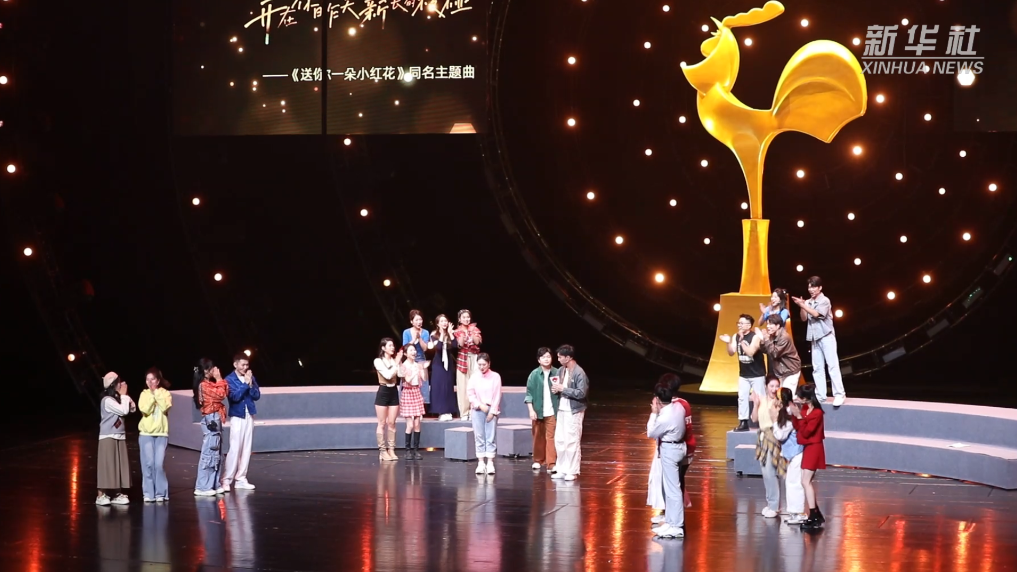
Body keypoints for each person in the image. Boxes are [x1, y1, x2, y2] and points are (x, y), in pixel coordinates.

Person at [792, 276, 846, 406]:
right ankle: (821, 395)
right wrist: (802, 306)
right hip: (814, 338)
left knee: (832, 366)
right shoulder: (808, 302)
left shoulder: (825, 300)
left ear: (820, 287)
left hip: (827, 336)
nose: (811, 289)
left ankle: (839, 394)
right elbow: (804, 318)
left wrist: (803, 305)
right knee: (817, 368)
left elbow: (816, 314)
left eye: (814, 287)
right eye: (809, 287)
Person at [646, 377, 687, 539]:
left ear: (657, 400)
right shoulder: (678, 407)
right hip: (677, 447)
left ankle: (676, 526)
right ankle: (671, 521)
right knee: (670, 489)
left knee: (673, 490)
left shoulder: (664, 418)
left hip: (670, 450)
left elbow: (651, 433)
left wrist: (653, 414)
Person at [750, 376, 789, 518]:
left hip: (773, 437)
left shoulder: (779, 402)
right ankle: (771, 503)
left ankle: (774, 505)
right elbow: (754, 419)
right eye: (771, 386)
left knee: (770, 471)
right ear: (766, 386)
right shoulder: (761, 400)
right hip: (762, 437)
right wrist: (755, 404)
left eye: (776, 386)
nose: (774, 389)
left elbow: (780, 422)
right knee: (765, 472)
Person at [222, 353, 261, 492]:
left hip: (249, 415)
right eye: (243, 364)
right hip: (237, 416)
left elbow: (257, 395)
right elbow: (234, 397)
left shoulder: (250, 377)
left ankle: (241, 478)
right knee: (235, 448)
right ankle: (226, 479)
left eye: (247, 364)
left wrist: (250, 384)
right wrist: (245, 384)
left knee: (246, 448)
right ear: (235, 364)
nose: (245, 367)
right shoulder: (229, 379)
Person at [720, 314, 766, 432]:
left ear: (749, 325)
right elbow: (731, 352)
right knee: (742, 397)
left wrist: (741, 341)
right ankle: (743, 422)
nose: (739, 325)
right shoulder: (736, 336)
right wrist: (728, 342)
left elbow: (750, 352)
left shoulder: (755, 337)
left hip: (757, 374)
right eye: (738, 323)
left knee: (760, 398)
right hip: (744, 374)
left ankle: (763, 422)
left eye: (742, 323)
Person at [790, 383, 827, 529]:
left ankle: (813, 515)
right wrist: (796, 415)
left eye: (800, 397)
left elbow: (806, 432)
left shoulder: (817, 413)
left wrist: (799, 416)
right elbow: (798, 427)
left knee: (805, 482)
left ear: (806, 398)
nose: (798, 398)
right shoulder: (805, 409)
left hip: (814, 447)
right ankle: (816, 513)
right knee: (805, 481)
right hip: (807, 447)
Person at [97, 372, 136, 506]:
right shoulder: (107, 400)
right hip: (108, 436)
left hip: (119, 435)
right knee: (107, 465)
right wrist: (124, 396)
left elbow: (132, 409)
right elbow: (123, 411)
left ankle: (117, 493)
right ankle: (101, 495)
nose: (121, 384)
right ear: (114, 385)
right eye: (119, 382)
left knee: (118, 465)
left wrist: (125, 396)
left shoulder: (117, 398)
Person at [551, 344, 589, 481]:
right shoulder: (561, 370)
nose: (558, 359)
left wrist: (563, 389)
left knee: (572, 440)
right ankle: (562, 468)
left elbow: (581, 393)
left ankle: (572, 471)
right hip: (561, 409)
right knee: (560, 440)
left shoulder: (579, 372)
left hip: (574, 410)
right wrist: (555, 389)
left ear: (568, 358)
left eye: (560, 357)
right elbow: (558, 388)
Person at [193, 358, 228, 496]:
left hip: (215, 417)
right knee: (210, 452)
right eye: (211, 368)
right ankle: (203, 486)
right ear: (206, 370)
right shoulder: (203, 385)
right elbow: (221, 394)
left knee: (217, 453)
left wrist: (219, 380)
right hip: (211, 418)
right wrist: (219, 378)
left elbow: (225, 390)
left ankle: (214, 483)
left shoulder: (209, 384)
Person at [138, 367, 173, 503]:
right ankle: (148, 493)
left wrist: (156, 393)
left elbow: (165, 407)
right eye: (147, 379)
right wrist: (152, 396)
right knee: (148, 464)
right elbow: (145, 409)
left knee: (159, 464)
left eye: (152, 379)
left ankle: (161, 493)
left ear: (158, 381)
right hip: (146, 433)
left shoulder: (165, 393)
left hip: (161, 434)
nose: (150, 382)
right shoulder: (144, 394)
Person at [525, 347, 560, 472]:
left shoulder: (557, 372)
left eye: (548, 356)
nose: (546, 359)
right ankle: (538, 460)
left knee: (551, 437)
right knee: (538, 437)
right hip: (538, 411)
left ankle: (551, 463)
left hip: (552, 411)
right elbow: (529, 394)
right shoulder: (534, 374)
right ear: (539, 360)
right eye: (543, 357)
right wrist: (531, 410)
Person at [467, 352, 502, 475]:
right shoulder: (474, 377)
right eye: (479, 364)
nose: (481, 367)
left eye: (484, 364)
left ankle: (490, 462)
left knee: (490, 436)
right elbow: (470, 393)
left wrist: (492, 411)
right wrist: (479, 405)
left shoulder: (495, 376)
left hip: (491, 409)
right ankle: (481, 462)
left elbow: (497, 395)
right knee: (479, 436)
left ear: (489, 364)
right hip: (478, 410)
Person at [776, 387, 807, 524]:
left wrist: (773, 419)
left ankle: (799, 513)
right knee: (790, 482)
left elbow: (780, 435)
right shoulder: (785, 411)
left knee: (795, 482)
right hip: (792, 453)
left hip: (797, 452)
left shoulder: (790, 412)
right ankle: (793, 512)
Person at [399, 344, 430, 460]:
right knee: (410, 425)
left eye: (414, 350)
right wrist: (414, 371)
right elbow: (407, 380)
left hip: (417, 392)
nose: (414, 352)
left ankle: (416, 450)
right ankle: (407, 450)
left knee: (417, 424)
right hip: (408, 393)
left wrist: (424, 368)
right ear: (405, 353)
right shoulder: (403, 366)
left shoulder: (417, 365)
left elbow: (424, 378)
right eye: (411, 350)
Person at [756, 314, 802, 392]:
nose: (768, 326)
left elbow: (775, 354)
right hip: (781, 372)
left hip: (790, 370)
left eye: (770, 324)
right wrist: (762, 340)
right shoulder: (771, 335)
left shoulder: (784, 337)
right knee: (781, 395)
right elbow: (765, 351)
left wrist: (766, 338)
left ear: (778, 326)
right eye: (767, 324)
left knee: (786, 395)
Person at [374, 338, 402, 462]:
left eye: (393, 345)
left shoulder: (395, 360)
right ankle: (382, 451)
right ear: (383, 348)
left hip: (393, 391)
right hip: (383, 391)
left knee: (392, 422)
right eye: (390, 345)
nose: (392, 347)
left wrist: (400, 364)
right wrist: (396, 363)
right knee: (382, 423)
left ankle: (391, 449)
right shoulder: (378, 361)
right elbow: (388, 375)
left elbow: (400, 374)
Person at [453, 309, 483, 420]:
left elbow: (477, 342)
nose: (466, 319)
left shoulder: (475, 329)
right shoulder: (457, 331)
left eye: (468, 317)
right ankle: (464, 413)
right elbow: (460, 344)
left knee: (475, 385)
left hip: (474, 357)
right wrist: (463, 334)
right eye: (464, 317)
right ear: (459, 319)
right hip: (463, 358)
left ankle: (474, 410)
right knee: (463, 386)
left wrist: (472, 332)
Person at [427, 314, 458, 421]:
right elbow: (439, 348)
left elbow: (455, 346)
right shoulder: (433, 334)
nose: (444, 323)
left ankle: (448, 410)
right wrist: (442, 335)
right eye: (442, 321)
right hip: (438, 363)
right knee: (439, 386)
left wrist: (450, 334)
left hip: (448, 363)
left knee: (448, 386)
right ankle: (440, 411)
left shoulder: (450, 333)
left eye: (445, 321)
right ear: (437, 324)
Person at [402, 309, 432, 408]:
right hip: (409, 359)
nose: (419, 322)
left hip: (421, 359)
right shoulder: (406, 332)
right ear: (411, 321)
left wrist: (419, 339)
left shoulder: (425, 332)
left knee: (422, 384)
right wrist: (414, 339)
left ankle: (422, 407)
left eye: (420, 319)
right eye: (416, 320)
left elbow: (425, 348)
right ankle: (408, 406)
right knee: (408, 382)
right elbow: (405, 347)